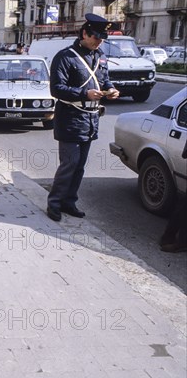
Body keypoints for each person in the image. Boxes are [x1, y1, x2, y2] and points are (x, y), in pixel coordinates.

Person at [46, 14, 120, 222]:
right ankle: (54, 203)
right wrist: (83, 94)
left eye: (103, 38)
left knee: (80, 166)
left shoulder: (100, 56)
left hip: (90, 119)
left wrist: (111, 89)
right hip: (70, 118)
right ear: (85, 33)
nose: (100, 41)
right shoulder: (65, 57)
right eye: (96, 37)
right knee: (70, 163)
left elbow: (104, 80)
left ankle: (69, 202)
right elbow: (56, 89)